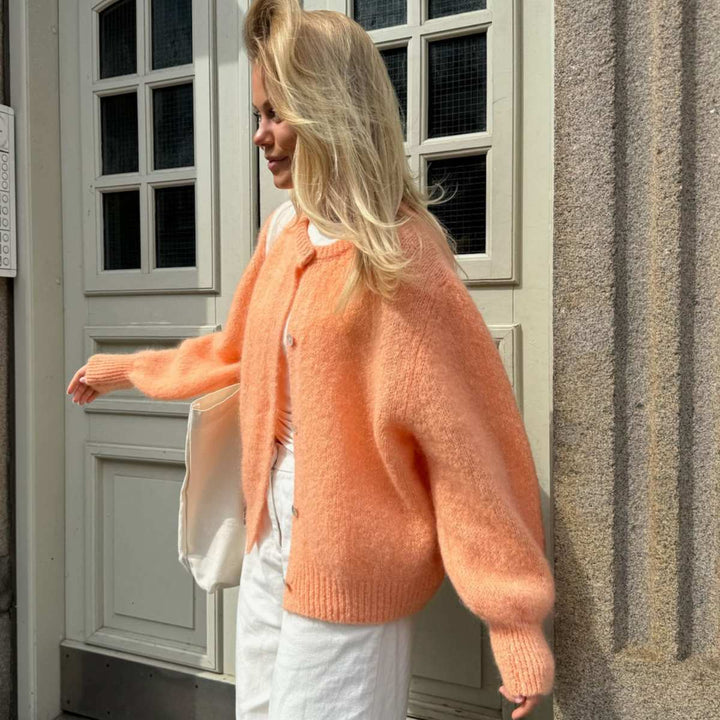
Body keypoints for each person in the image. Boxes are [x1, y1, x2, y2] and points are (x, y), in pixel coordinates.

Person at [66, 0, 555, 718]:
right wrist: (129, 371)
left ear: (328, 109)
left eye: (276, 113)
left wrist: (514, 622)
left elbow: (469, 448)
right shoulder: (284, 231)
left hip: (352, 572)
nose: (259, 135)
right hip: (269, 548)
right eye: (257, 113)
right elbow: (236, 352)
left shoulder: (402, 258)